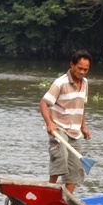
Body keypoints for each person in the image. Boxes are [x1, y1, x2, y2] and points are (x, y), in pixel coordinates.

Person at [39, 50, 92, 192]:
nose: (82, 72)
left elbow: (81, 107)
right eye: (79, 68)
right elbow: (43, 103)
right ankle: (49, 191)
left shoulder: (85, 83)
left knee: (76, 168)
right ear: (72, 65)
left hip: (75, 131)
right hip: (59, 128)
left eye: (85, 69)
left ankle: (67, 199)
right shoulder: (60, 83)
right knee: (60, 157)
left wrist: (83, 127)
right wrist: (49, 123)